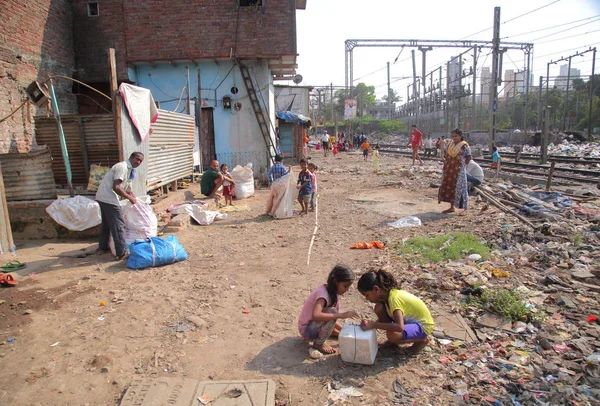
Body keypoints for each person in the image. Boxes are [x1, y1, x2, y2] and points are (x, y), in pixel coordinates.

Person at [357, 270, 434, 355]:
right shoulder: (386, 297)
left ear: (376, 289)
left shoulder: (394, 299)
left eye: (367, 295)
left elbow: (399, 327)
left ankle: (422, 340)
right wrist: (372, 324)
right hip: (410, 321)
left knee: (392, 334)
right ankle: (393, 342)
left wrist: (374, 325)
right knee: (379, 308)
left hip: (423, 326)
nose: (367, 299)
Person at [298, 265, 358, 355]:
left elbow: (331, 319)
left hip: (315, 326)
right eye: (345, 286)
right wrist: (342, 315)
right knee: (333, 313)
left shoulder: (333, 293)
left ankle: (338, 334)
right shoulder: (323, 294)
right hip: (307, 331)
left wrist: (344, 331)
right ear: (336, 282)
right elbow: (316, 316)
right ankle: (318, 344)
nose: (347, 290)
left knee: (334, 316)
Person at [96, 152, 144, 259]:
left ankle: (102, 248)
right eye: (137, 159)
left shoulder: (130, 170)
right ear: (131, 158)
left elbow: (127, 187)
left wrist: (133, 197)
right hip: (108, 197)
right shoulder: (122, 167)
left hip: (102, 197)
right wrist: (129, 197)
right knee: (118, 225)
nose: (138, 162)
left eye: (141, 161)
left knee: (107, 223)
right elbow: (116, 187)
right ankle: (121, 252)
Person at [438, 129, 471, 215]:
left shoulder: (464, 146)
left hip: (459, 170)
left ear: (460, 136)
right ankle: (452, 207)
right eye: (453, 136)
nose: (454, 138)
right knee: (451, 187)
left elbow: (468, 157)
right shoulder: (450, 144)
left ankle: (464, 209)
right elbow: (446, 154)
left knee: (461, 188)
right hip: (449, 170)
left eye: (456, 136)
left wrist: (463, 166)